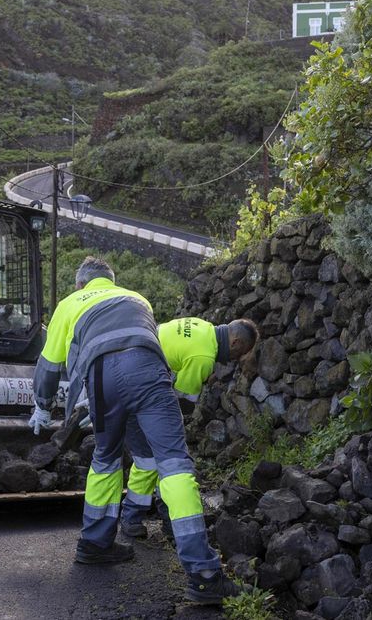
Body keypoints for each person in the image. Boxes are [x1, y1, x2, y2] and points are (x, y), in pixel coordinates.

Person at [28, 257, 241, 604]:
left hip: (99, 375)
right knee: (173, 463)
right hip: (145, 367)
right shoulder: (136, 298)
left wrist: (42, 404)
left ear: (81, 285)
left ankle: (95, 543)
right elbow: (146, 343)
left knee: (105, 458)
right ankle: (203, 575)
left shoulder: (69, 304)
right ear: (111, 281)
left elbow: (50, 363)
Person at [119, 316, 258, 538]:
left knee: (153, 459)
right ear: (235, 343)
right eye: (239, 354)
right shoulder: (204, 356)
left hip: (124, 373)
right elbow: (181, 401)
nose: (235, 359)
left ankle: (156, 515)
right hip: (138, 391)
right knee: (160, 461)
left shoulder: (201, 325)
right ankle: (138, 517)